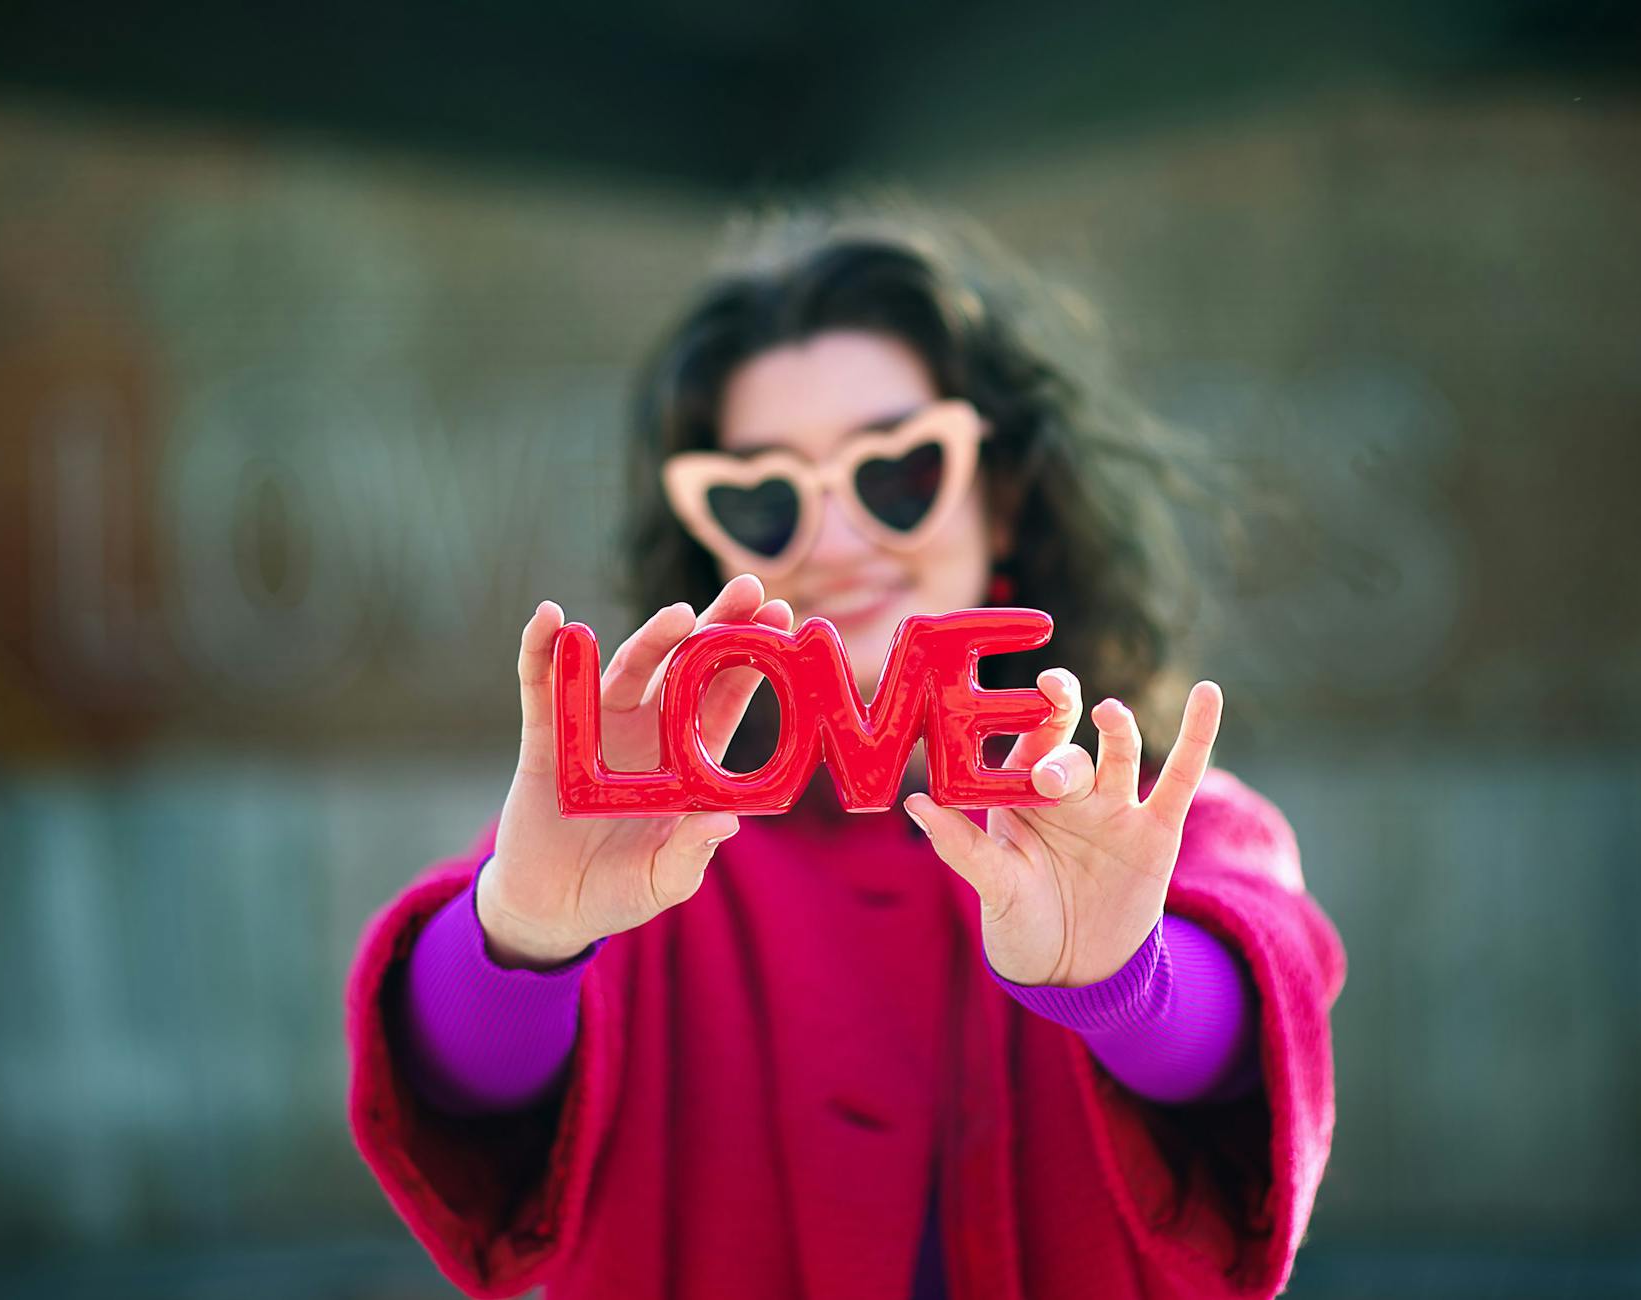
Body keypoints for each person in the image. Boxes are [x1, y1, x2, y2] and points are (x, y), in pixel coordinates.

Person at [344, 199, 1346, 1300]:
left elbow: (1258, 1028)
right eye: (762, 498)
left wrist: (1123, 980)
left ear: (1001, 498)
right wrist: (521, 934)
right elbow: (456, 1092)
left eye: (899, 472)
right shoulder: (631, 824)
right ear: (707, 538)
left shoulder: (1152, 818)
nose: (833, 538)